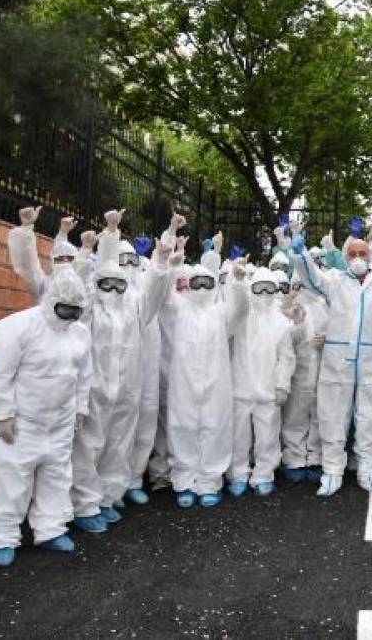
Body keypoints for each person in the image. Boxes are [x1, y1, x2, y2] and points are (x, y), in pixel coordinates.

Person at [70, 210, 175, 532]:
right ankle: (84, 506)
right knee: (88, 447)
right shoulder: (90, 308)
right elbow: (77, 284)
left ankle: (106, 498)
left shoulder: (134, 308)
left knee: (118, 444)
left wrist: (160, 261)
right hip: (95, 389)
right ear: (98, 283)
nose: (114, 289)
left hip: (126, 389)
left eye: (120, 283)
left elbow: (154, 293)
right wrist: (103, 239)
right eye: (107, 283)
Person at [0, 267, 92, 566]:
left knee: (57, 478)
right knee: (11, 480)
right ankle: (1, 538)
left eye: (76, 311)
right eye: (65, 309)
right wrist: (2, 414)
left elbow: (83, 376)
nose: (70, 317)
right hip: (22, 424)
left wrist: (80, 410)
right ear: (51, 300)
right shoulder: (18, 327)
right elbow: (0, 373)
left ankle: (51, 529)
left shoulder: (80, 333)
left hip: (60, 423)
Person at [291, 231, 372, 497]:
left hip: (370, 358)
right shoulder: (335, 280)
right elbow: (313, 278)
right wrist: (300, 253)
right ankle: (332, 472)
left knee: (369, 417)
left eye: (362, 253)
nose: (357, 258)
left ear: (370, 256)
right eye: (352, 254)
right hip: (338, 358)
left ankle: (367, 472)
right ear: (346, 257)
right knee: (333, 415)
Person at [163, 259, 248, 507]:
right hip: (184, 380)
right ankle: (184, 481)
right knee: (183, 427)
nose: (201, 287)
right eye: (196, 282)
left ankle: (209, 482)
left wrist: (238, 282)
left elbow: (241, 309)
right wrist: (168, 268)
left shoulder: (220, 311)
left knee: (215, 427)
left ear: (214, 285)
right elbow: (162, 296)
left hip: (215, 379)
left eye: (206, 282)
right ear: (189, 285)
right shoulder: (179, 308)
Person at [227, 267, 298, 496]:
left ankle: (264, 474)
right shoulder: (241, 318)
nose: (265, 293)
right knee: (238, 436)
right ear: (251, 289)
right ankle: (238, 473)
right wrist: (238, 283)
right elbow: (234, 309)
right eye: (259, 288)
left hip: (268, 390)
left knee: (267, 436)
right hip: (240, 387)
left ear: (276, 290)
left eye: (270, 288)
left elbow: (286, 358)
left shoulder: (282, 323)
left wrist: (282, 385)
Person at [120, 236, 163, 507]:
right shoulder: (108, 294)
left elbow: (158, 285)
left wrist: (160, 257)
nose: (128, 265)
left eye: (132, 260)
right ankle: (112, 485)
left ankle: (134, 479)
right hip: (119, 372)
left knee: (145, 422)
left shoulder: (145, 292)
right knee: (118, 429)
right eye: (121, 260)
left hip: (148, 368)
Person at [280, 277, 329, 483]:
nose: (302, 289)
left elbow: (337, 332)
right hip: (298, 371)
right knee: (295, 414)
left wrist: (325, 341)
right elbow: (282, 339)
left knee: (319, 413)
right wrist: (297, 327)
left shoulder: (324, 305)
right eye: (298, 285)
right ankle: (295, 456)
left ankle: (316, 455)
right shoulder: (289, 307)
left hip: (321, 370)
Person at [7, 206, 80, 299]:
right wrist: (27, 226)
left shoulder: (82, 292)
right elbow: (28, 263)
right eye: (59, 260)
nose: (62, 263)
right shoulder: (47, 286)